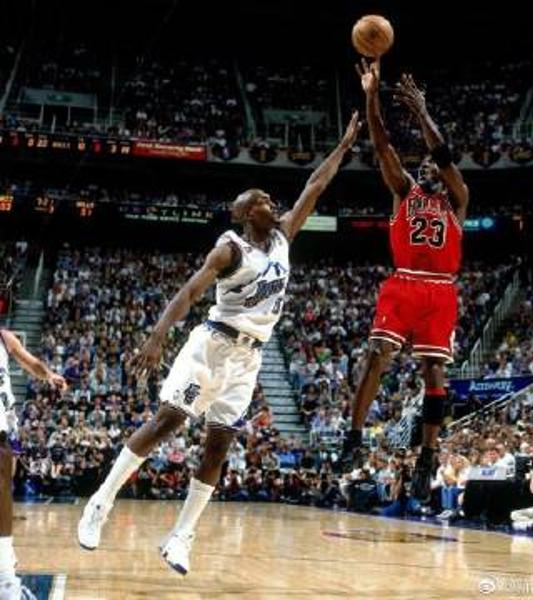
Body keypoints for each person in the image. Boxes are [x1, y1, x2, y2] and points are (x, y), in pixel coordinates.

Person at [77, 113, 362, 576]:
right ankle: (100, 503)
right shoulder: (230, 248)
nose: (272, 202)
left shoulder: (283, 236)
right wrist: (157, 336)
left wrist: (344, 145)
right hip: (212, 345)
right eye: (263, 200)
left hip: (249, 357)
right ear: (247, 212)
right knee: (167, 422)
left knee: (218, 447)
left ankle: (180, 536)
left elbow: (316, 184)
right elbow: (191, 291)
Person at [341, 59, 469, 505]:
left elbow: (444, 155)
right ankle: (354, 436)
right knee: (377, 352)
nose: (431, 169)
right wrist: (371, 96)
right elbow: (381, 145)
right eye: (426, 166)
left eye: (436, 167)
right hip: (404, 283)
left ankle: (428, 456)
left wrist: (421, 112)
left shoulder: (458, 198)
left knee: (434, 371)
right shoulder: (403, 190)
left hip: (440, 287)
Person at [0, 329, 66, 600]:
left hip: (5, 416)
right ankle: (5, 580)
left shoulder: (5, 338)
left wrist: (49, 375)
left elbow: (32, 363)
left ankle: (5, 563)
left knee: (7, 481)